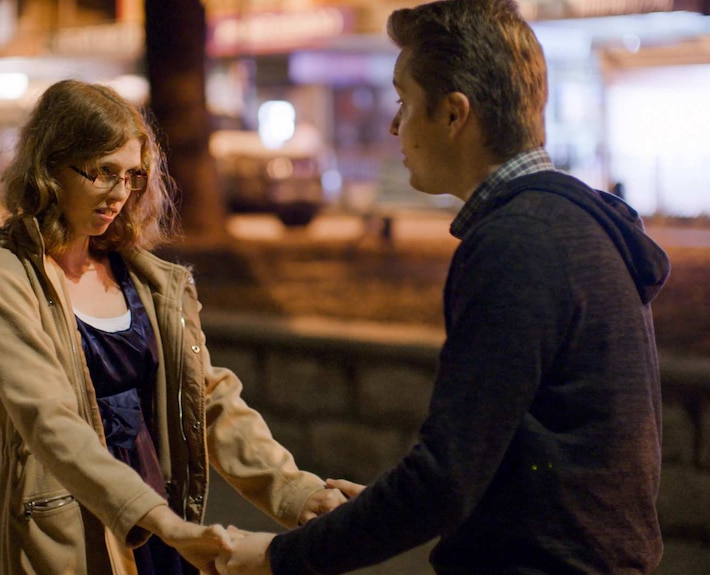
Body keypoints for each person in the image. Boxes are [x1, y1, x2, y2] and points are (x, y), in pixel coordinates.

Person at [218, 1, 671, 574]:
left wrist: (281, 557)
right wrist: (381, 511)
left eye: (404, 102)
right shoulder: (566, 224)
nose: (393, 124)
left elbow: (445, 476)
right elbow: (511, 452)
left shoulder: (518, 243)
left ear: (454, 115)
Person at [0, 79, 345, 575]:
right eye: (101, 173)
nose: (119, 194)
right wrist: (158, 520)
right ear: (50, 166)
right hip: (74, 526)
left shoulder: (144, 278)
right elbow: (47, 420)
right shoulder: (4, 273)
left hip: (161, 514)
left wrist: (296, 490)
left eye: (132, 176)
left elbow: (206, 400)